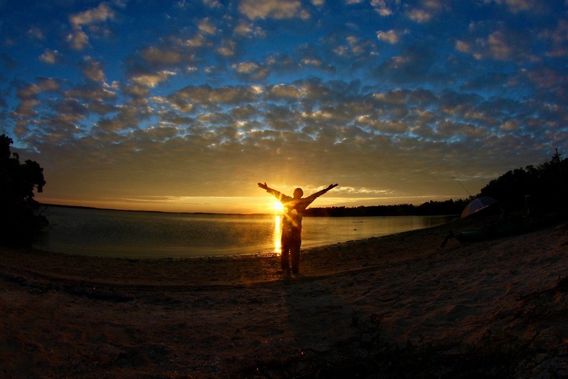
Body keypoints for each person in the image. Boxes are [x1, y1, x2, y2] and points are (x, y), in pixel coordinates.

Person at [258, 182, 338, 277]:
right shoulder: (286, 199)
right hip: (286, 230)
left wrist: (327, 189)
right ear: (293, 193)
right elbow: (276, 193)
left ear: (301, 195)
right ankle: (286, 270)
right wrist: (267, 188)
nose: (297, 194)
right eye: (296, 192)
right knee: (284, 251)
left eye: (299, 193)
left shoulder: (303, 202)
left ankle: (294, 271)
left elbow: (316, 195)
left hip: (295, 231)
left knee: (295, 252)